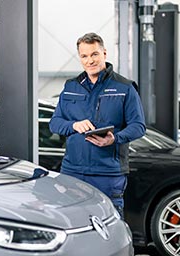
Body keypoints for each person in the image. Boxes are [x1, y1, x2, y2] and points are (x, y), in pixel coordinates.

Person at [49, 32, 145, 218]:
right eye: (84, 56)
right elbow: (55, 123)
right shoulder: (71, 87)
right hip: (72, 172)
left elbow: (138, 126)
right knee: (73, 222)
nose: (90, 60)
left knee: (109, 223)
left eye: (94, 54)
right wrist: (74, 125)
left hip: (107, 173)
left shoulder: (124, 87)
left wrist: (115, 139)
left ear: (104, 53)